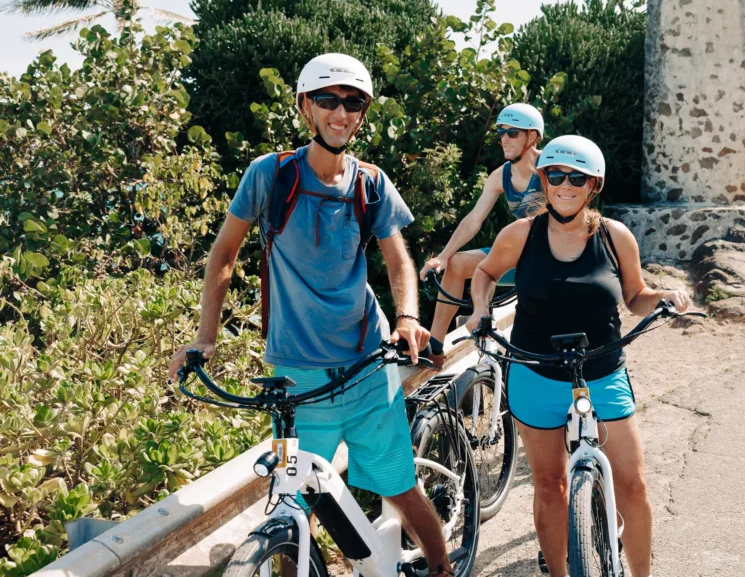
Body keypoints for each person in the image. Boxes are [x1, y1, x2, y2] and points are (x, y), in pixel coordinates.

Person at [167, 53, 455, 577]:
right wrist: (205, 337)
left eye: (353, 103)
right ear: (305, 107)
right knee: (293, 503)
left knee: (399, 486)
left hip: (368, 368)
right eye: (327, 100)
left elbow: (398, 261)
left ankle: (442, 569)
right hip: (297, 379)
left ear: (362, 113)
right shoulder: (272, 175)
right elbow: (224, 254)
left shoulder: (371, 183)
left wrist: (408, 318)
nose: (340, 113)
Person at [464, 135, 692, 577]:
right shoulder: (520, 235)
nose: (565, 185)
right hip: (535, 372)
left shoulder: (614, 236)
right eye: (555, 175)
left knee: (633, 484)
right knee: (550, 485)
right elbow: (485, 272)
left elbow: (636, 296)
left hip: (603, 371)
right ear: (543, 180)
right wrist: (479, 310)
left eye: (577, 178)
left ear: (593, 185)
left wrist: (663, 297)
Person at [418, 103, 545, 344]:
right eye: (501, 132)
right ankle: (435, 346)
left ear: (532, 136)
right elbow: (474, 219)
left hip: (552, 261)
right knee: (457, 263)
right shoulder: (500, 176)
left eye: (512, 132)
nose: (504, 139)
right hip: (521, 258)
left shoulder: (550, 169)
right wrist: (443, 257)